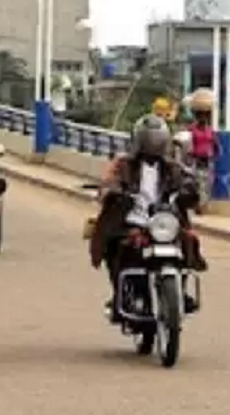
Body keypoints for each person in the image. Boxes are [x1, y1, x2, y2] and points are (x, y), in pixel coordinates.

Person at [89, 115, 205, 320]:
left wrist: (192, 192)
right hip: (131, 222)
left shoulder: (173, 168)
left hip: (164, 222)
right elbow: (108, 182)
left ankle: (180, 290)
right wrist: (111, 191)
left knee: (188, 243)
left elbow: (189, 182)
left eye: (158, 141)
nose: (154, 146)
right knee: (115, 248)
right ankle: (120, 295)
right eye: (149, 141)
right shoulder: (123, 164)